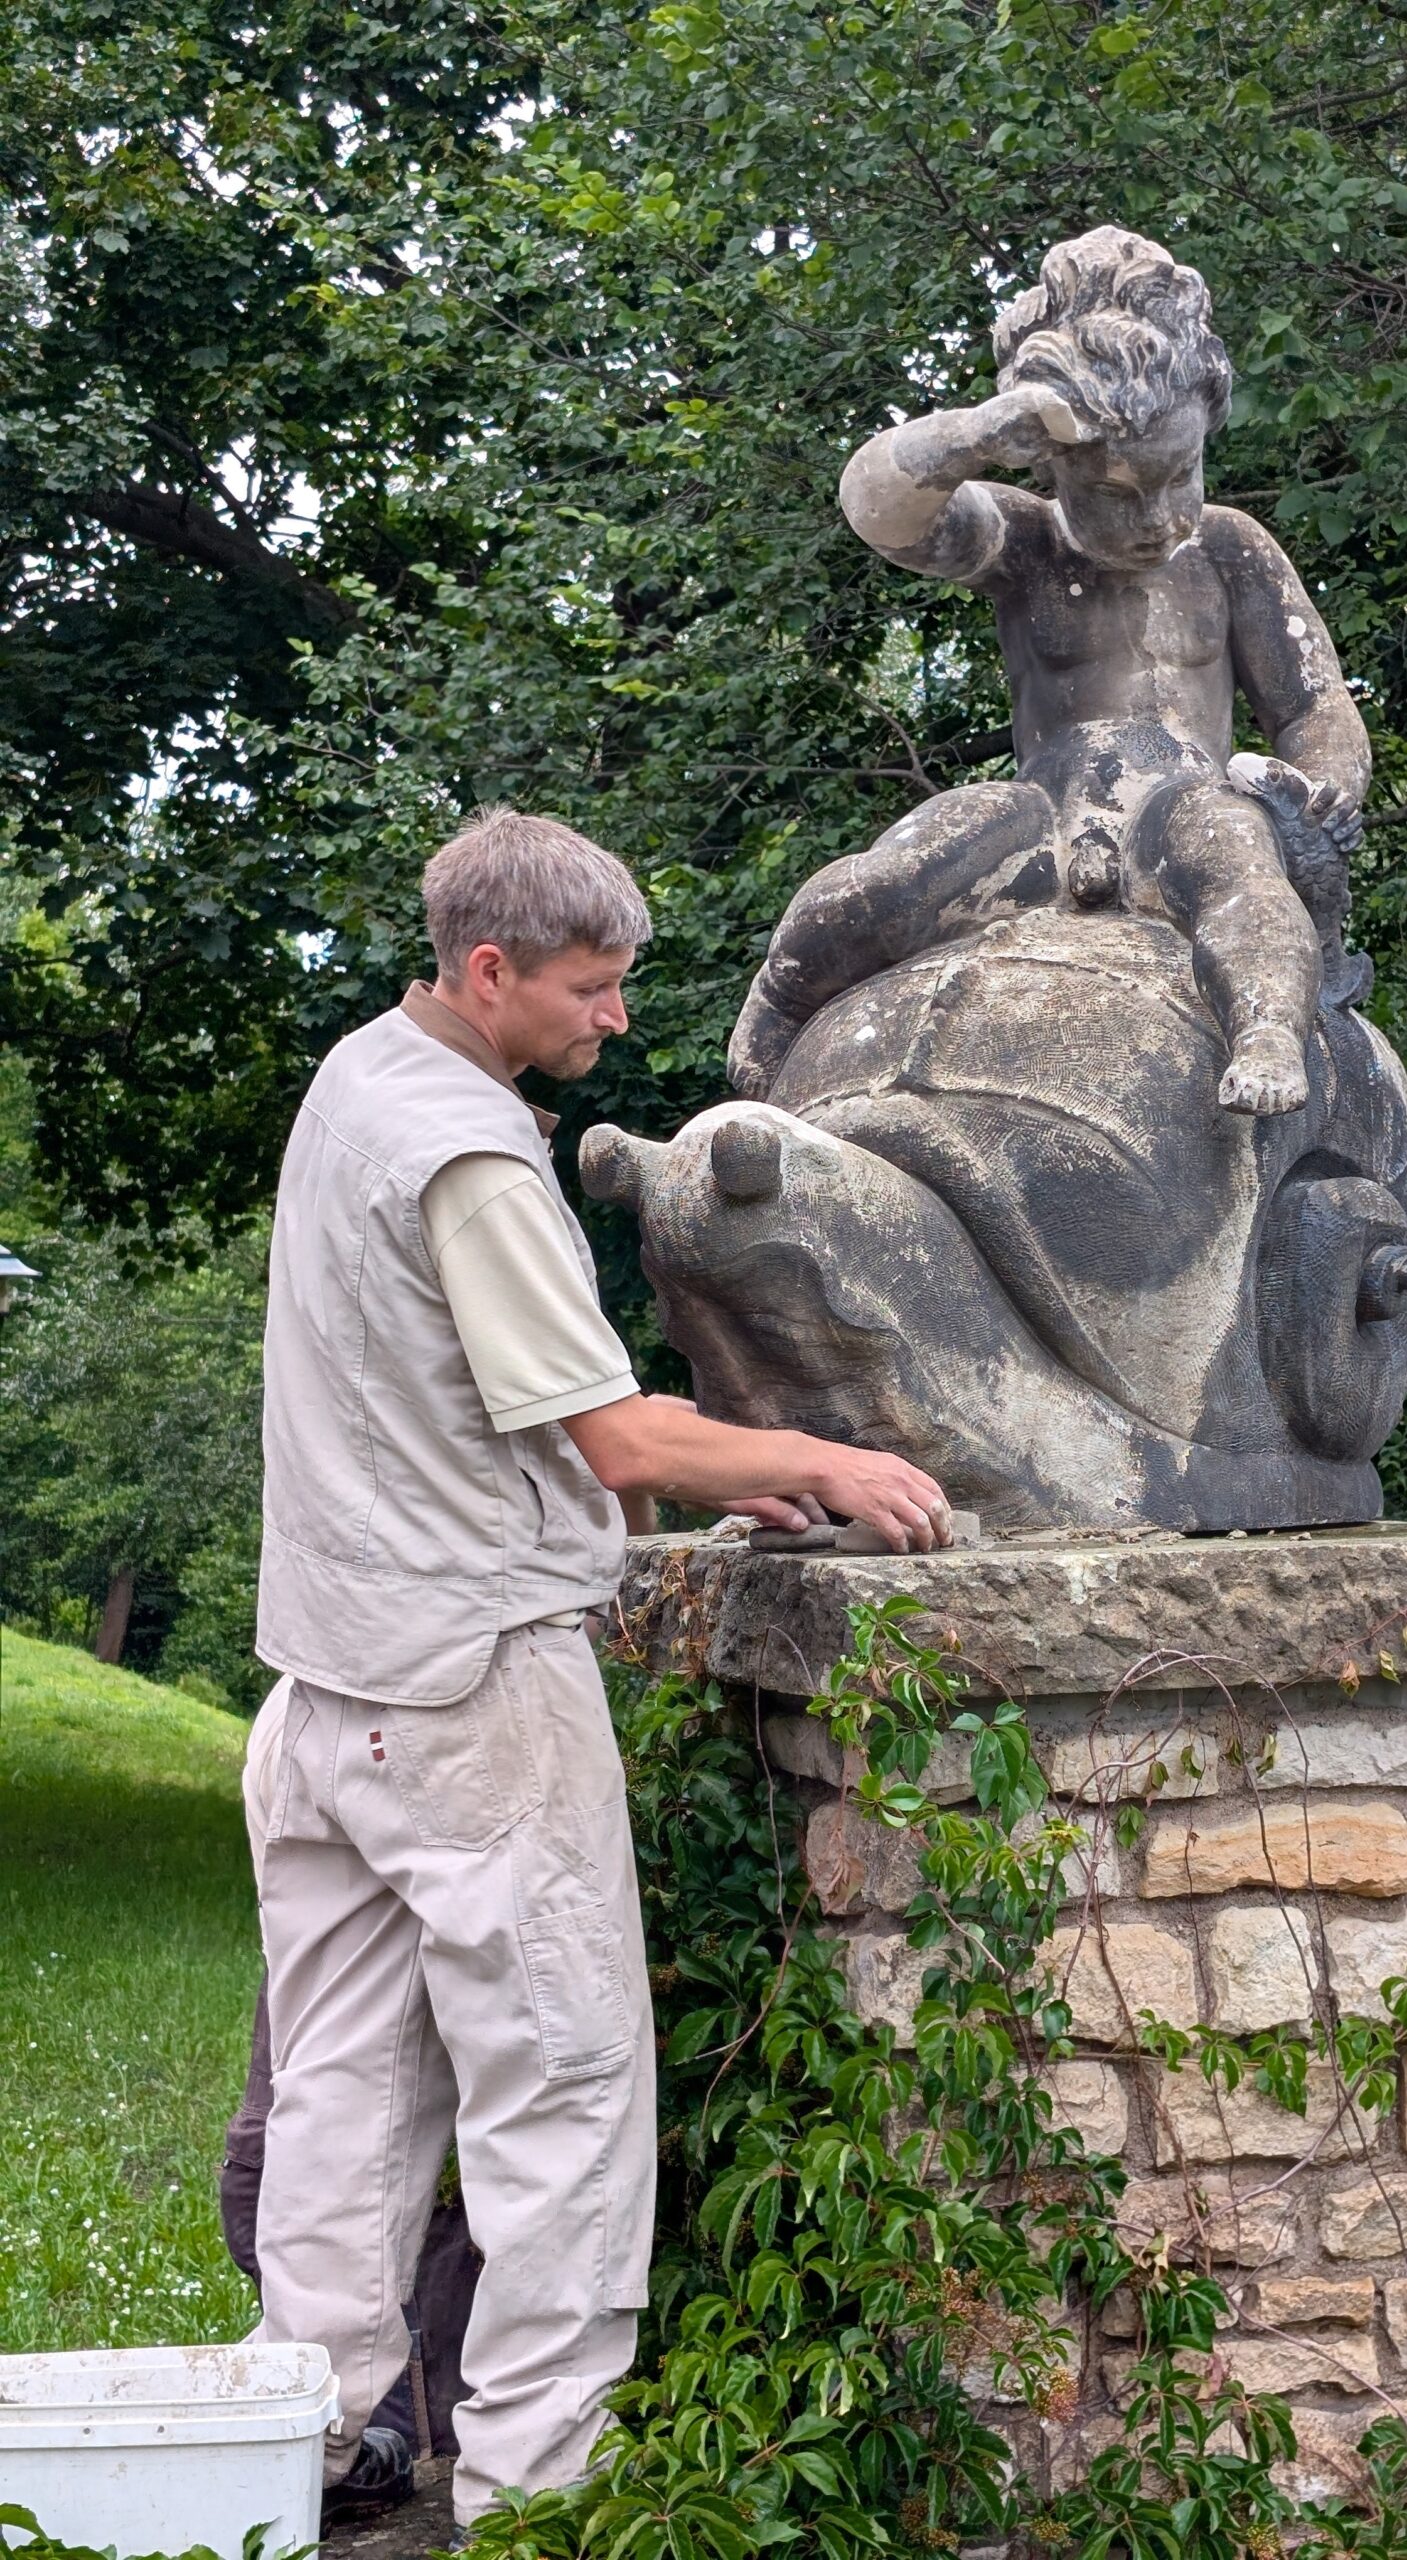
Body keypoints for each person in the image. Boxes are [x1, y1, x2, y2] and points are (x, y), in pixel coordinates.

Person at [246, 808, 949, 2533]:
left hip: (329, 1687)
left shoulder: (356, 1078)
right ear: (488, 970)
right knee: (562, 2094)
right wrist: (820, 1459)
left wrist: (728, 1471)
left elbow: (490, 1413)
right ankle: (538, 2495)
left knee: (344, 2096)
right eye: (588, 986)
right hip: (471, 1692)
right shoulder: (470, 1160)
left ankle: (297, 2448)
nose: (615, 1017)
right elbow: (617, 1438)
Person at [726, 223, 1371, 1122]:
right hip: (1042, 809)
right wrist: (985, 432)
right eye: (1116, 494)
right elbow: (880, 509)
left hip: (1184, 801)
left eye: (1179, 476)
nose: (1157, 517)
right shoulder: (1026, 540)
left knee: (1242, 874)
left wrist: (1322, 788)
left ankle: (1265, 1031)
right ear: (1058, 469)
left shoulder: (1229, 547)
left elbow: (1312, 703)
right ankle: (780, 1001)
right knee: (894, 877)